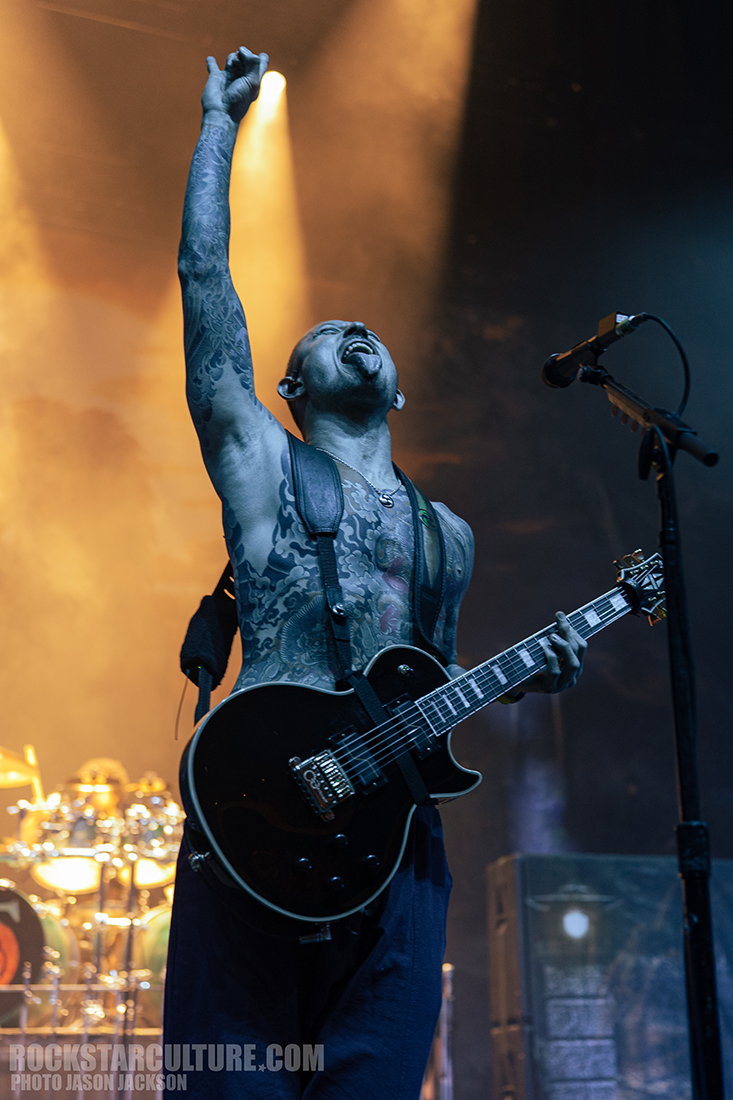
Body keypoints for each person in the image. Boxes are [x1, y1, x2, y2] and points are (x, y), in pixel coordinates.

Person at [163, 46, 587, 1099]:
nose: (358, 327)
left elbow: (421, 704)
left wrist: (530, 672)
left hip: (390, 863)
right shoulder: (263, 469)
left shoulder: (448, 533)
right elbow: (203, 280)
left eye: (372, 330)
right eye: (328, 330)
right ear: (290, 383)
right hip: (254, 825)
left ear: (393, 391)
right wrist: (221, 125)